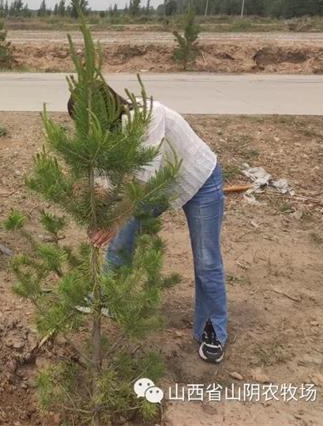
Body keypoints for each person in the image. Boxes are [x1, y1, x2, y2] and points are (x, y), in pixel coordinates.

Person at [69, 90, 228, 364]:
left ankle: (212, 329)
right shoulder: (107, 133)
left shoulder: (147, 116)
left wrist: (116, 220)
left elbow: (142, 178)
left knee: (206, 260)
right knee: (121, 238)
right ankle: (107, 294)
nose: (84, 129)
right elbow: (108, 180)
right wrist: (97, 211)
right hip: (156, 187)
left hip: (198, 180)